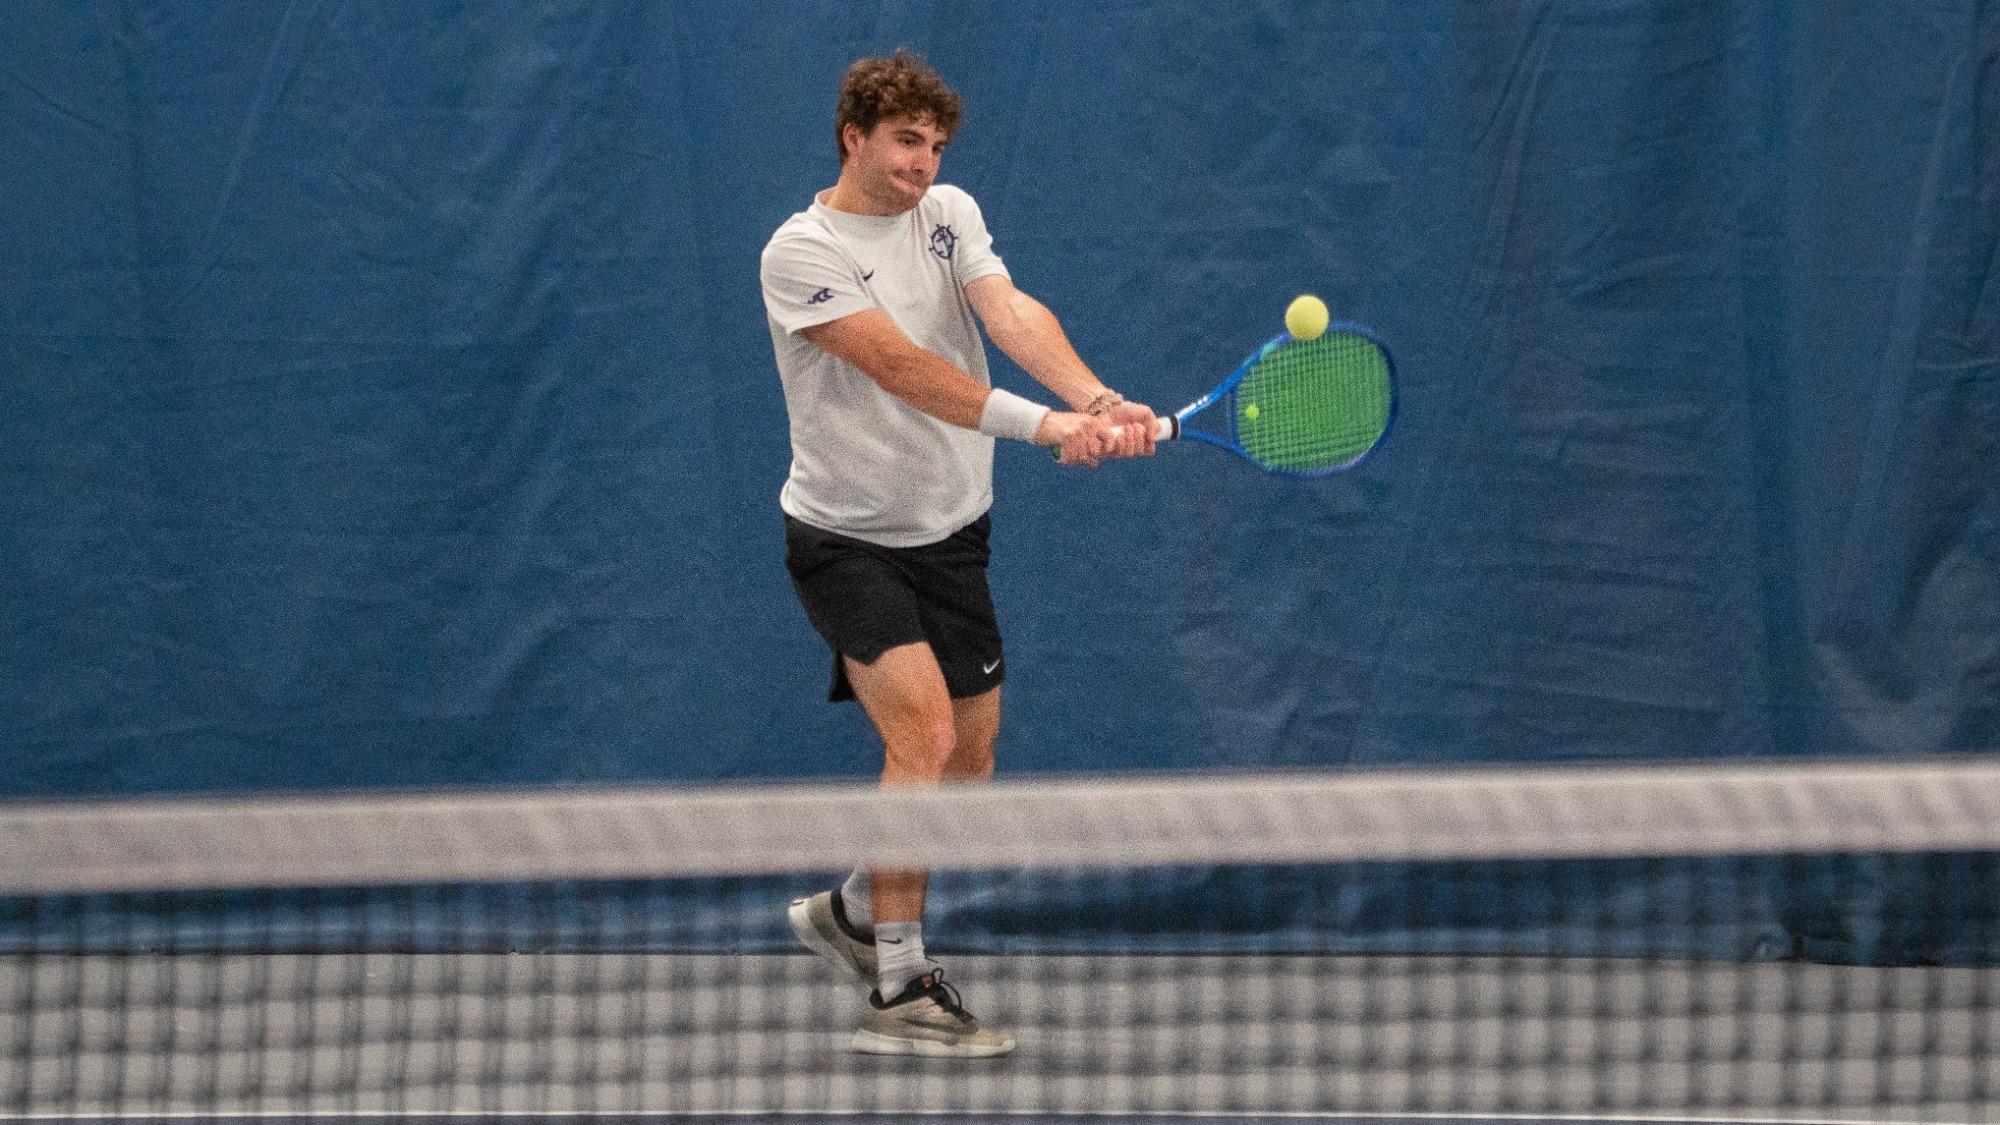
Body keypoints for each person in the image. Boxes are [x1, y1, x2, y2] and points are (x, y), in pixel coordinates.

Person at [759, 48, 1156, 1058]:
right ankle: (898, 982)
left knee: (968, 759)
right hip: (845, 540)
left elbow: (1006, 311)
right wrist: (1045, 429)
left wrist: (1096, 400)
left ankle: (852, 908)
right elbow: (898, 366)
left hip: (950, 531)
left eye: (933, 144)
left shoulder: (949, 214)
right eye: (903, 140)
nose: (921, 162)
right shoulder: (799, 253)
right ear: (853, 137)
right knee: (923, 740)